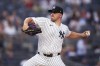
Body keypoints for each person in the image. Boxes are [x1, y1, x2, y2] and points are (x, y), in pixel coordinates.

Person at [22, 6, 90, 66]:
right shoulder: (45, 22)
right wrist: (25, 24)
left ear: (60, 15)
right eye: (51, 12)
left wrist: (82, 35)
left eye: (54, 12)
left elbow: (70, 34)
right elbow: (29, 19)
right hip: (40, 57)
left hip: (55, 59)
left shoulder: (64, 28)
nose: (52, 14)